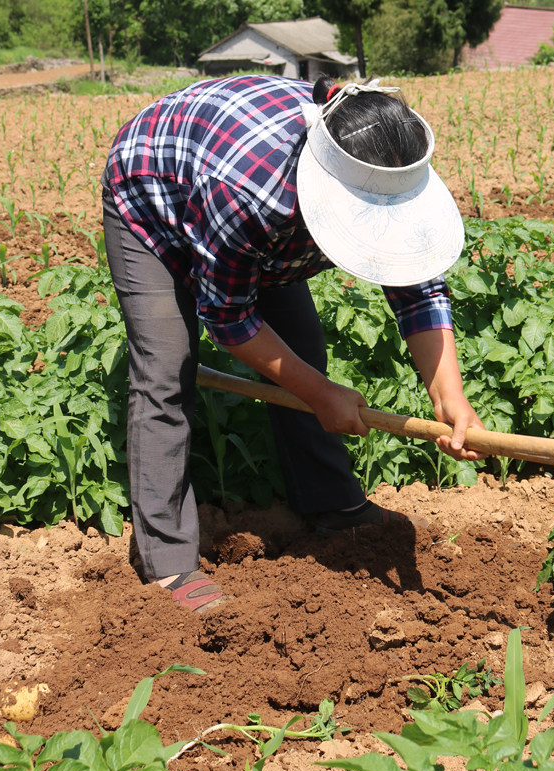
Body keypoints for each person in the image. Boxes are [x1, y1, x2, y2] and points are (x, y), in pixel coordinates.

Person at [102, 73, 486, 613]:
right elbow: (229, 316)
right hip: (153, 194)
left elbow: (418, 286)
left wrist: (451, 397)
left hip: (251, 218)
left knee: (302, 354)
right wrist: (319, 392)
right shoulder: (253, 195)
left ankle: (334, 506)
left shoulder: (389, 167)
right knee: (167, 370)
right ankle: (167, 563)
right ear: (328, 197)